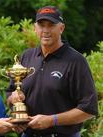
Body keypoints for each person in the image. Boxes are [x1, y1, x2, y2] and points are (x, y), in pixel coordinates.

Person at [6, 6, 98, 137]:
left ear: (61, 28)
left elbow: (89, 109)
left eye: (51, 25)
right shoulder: (26, 56)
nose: (45, 30)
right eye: (41, 25)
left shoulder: (76, 61)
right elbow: (10, 91)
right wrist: (13, 98)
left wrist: (52, 120)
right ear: (35, 28)